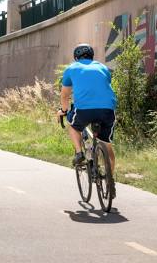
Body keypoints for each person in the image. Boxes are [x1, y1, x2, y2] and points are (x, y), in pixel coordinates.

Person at [56, 43, 117, 197]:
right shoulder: (102, 67)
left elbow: (64, 95)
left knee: (74, 126)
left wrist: (63, 111)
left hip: (84, 109)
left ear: (76, 57)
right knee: (106, 144)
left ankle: (79, 153)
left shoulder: (71, 68)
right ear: (92, 55)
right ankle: (110, 180)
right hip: (107, 109)